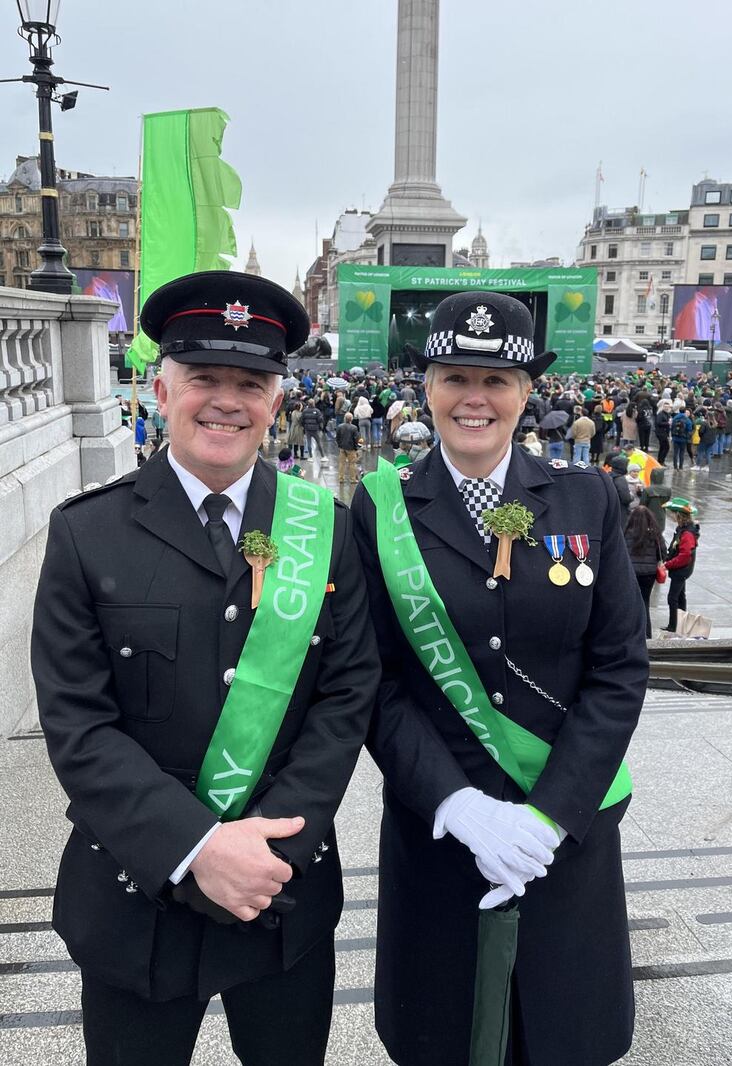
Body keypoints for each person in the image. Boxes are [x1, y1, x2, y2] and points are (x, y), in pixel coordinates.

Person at [30, 270, 380, 1066]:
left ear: (276, 402)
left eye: (250, 383)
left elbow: (348, 693)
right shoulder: (87, 533)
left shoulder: (324, 529)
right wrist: (198, 849)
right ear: (161, 390)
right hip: (136, 895)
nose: (227, 401)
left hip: (282, 889)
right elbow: (79, 726)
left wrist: (268, 851)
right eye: (203, 378)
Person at [351, 291, 648, 1066]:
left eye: (497, 380)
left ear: (526, 392)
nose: (474, 398)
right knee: (443, 1035)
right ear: (426, 387)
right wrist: (458, 804)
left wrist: (550, 818)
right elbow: (376, 680)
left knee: (565, 1033)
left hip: (567, 835)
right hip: (442, 831)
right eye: (455, 377)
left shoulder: (587, 496)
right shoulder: (380, 508)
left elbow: (619, 665)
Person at [624, 505, 667, 638]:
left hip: (632, 573)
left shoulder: (627, 534)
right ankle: (647, 634)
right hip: (649, 574)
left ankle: (632, 634)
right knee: (645, 602)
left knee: (631, 604)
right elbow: (663, 553)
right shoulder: (655, 534)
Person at [661, 497, 700, 633]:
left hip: (681, 570)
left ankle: (673, 626)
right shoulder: (683, 529)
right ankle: (682, 625)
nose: (670, 516)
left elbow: (684, 556)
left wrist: (668, 564)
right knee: (680, 597)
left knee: (672, 598)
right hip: (682, 570)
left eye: (672, 513)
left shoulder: (687, 533)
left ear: (678, 515)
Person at [335, 411, 361, 484]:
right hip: (351, 448)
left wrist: (339, 445)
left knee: (341, 463)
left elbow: (337, 437)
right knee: (352, 464)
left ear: (344, 418)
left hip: (342, 448)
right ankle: (353, 479)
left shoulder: (339, 426)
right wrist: (356, 448)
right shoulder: (354, 428)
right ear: (351, 419)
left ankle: (341, 478)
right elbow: (356, 439)